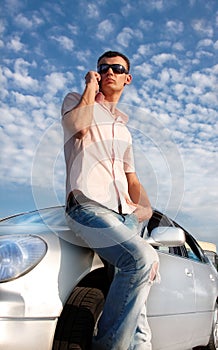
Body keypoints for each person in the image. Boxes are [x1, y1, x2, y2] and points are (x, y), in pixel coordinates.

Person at [61, 50, 160, 350]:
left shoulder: (125, 130)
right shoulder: (77, 101)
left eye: (117, 68)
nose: (109, 72)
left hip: (125, 216)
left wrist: (146, 206)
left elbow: (132, 179)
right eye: (102, 68)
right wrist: (90, 87)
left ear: (127, 78)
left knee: (137, 305)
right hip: (88, 207)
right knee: (142, 259)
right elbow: (78, 126)